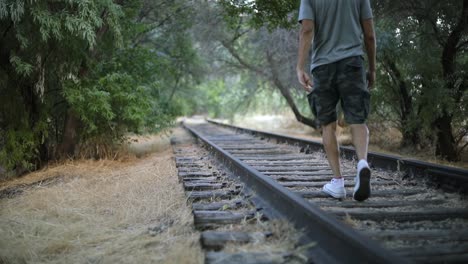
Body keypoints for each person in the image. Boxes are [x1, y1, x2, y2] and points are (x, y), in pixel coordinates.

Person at [296, 0, 376, 201]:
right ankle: (362, 164)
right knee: (358, 120)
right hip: (353, 63)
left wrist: (300, 67)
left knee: (328, 125)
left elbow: (307, 30)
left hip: (323, 67)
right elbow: (370, 34)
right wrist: (372, 68)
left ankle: (338, 182)